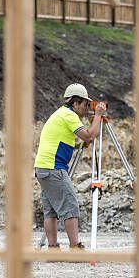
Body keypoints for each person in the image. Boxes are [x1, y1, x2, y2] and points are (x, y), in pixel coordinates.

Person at [34, 83, 107, 249]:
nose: (86, 108)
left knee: (51, 211)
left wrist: (77, 146)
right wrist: (98, 116)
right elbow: (89, 136)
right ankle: (75, 248)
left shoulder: (60, 114)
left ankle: (53, 250)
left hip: (43, 168)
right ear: (75, 103)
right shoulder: (69, 115)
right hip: (54, 168)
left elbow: (62, 140)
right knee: (70, 206)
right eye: (85, 104)